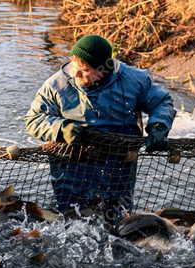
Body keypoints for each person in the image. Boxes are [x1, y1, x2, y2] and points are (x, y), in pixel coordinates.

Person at [24, 35, 176, 216]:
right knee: (73, 219)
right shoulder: (55, 85)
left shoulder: (134, 80)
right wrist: (61, 128)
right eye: (75, 67)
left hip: (118, 166)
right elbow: (34, 119)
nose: (76, 74)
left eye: (85, 70)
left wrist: (158, 126)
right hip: (71, 167)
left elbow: (162, 102)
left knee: (117, 217)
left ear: (104, 69)